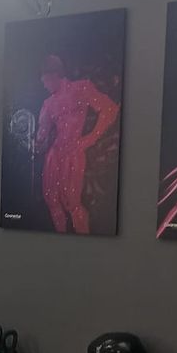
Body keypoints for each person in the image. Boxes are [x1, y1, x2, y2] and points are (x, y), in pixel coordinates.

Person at [34, 54, 120, 234]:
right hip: (54, 156)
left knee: (72, 203)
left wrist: (90, 138)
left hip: (73, 152)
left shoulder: (81, 88)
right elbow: (42, 135)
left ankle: (83, 240)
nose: (44, 85)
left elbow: (109, 109)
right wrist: (35, 143)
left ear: (54, 75)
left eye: (45, 80)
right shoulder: (48, 103)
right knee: (52, 201)